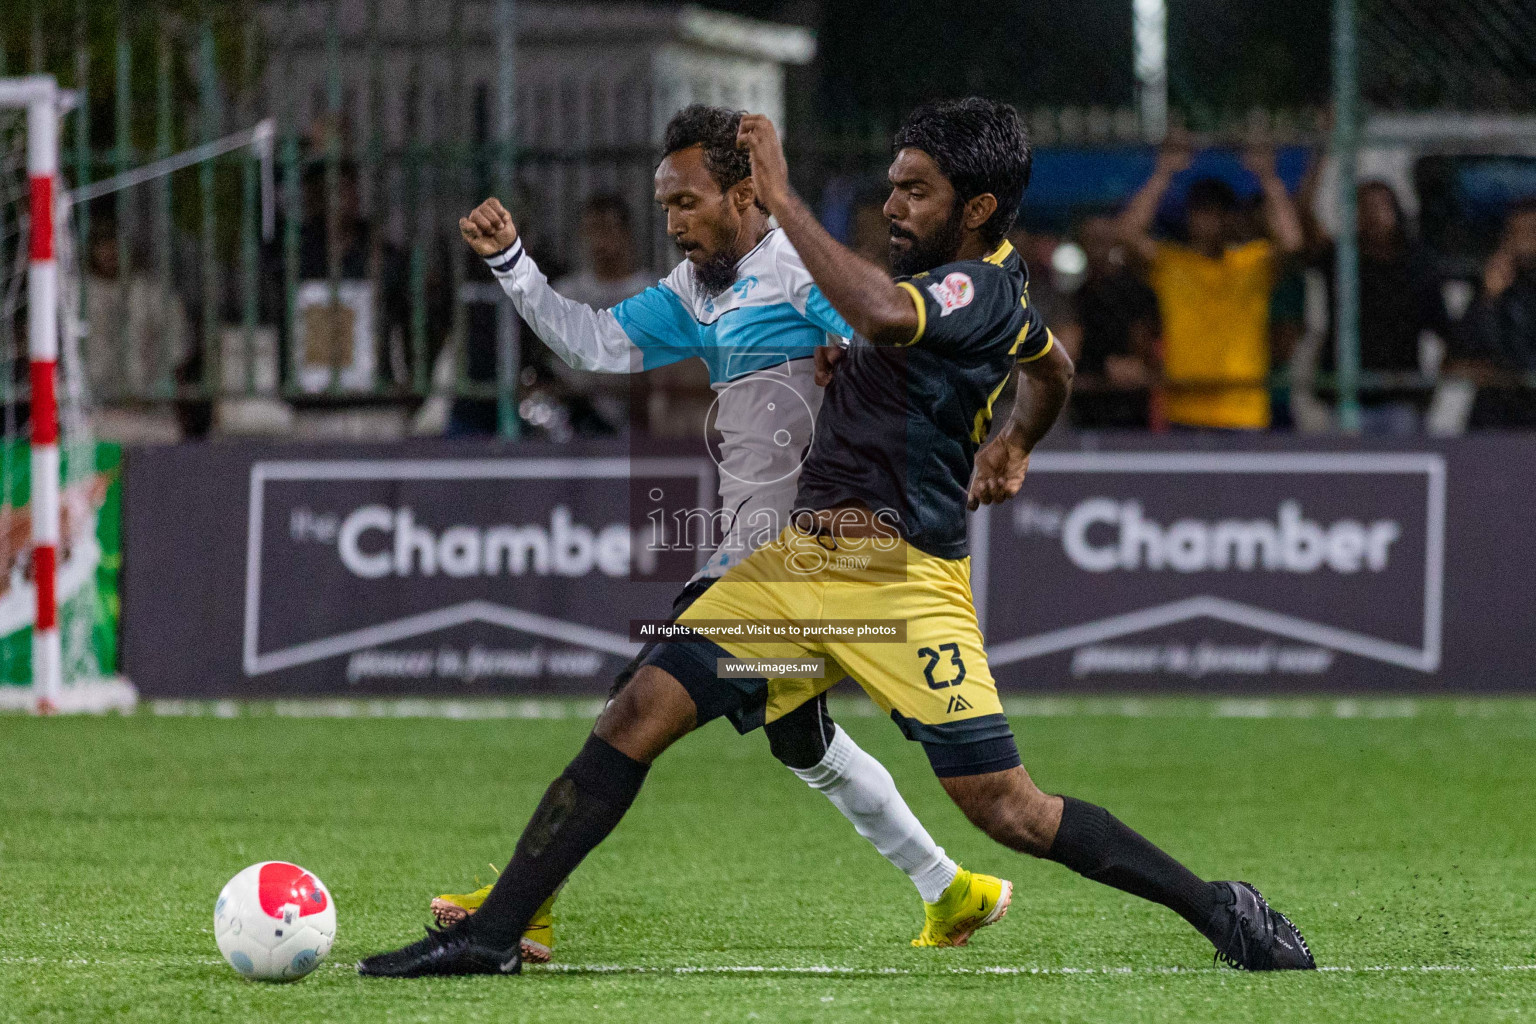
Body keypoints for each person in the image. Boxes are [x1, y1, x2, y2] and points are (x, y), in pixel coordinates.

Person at [359, 98, 1315, 978]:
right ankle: (496, 936)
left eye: (916, 190)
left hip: (901, 585)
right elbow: (1051, 367)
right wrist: (1017, 440)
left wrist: (785, 202)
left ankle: (1221, 911)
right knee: (636, 711)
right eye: (893, 183)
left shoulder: (974, 289)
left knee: (1008, 808)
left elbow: (891, 316)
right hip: (797, 567)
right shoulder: (947, 287)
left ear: (978, 207)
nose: (894, 204)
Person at [418, 105, 1005, 966]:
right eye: (665, 207)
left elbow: (896, 351)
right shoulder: (694, 294)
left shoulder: (803, 272)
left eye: (686, 202)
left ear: (744, 193)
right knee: (799, 741)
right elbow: (590, 344)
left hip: (805, 558)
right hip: (764, 557)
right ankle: (951, 889)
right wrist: (513, 266)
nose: (673, 222)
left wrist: (865, 371)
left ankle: (525, 905)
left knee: (637, 704)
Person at [1116, 137, 1304, 430]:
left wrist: (1268, 177)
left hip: (1244, 414)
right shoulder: (1172, 263)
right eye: (1202, 211)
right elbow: (1126, 234)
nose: (1210, 220)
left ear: (1231, 217)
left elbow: (1292, 241)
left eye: (1219, 211)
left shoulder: (1252, 263)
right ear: (1189, 216)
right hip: (1184, 413)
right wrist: (1163, 173)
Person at [1296, 175, 1451, 433]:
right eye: (1363, 207)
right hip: (1345, 403)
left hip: (1400, 404)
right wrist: (1319, 157)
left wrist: (1430, 390)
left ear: (1396, 210)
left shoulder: (1417, 267)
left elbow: (1446, 333)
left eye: (1380, 206)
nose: (1373, 215)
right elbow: (1304, 221)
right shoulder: (1340, 259)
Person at [1449, 196, 1536, 428]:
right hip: (1497, 414)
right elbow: (1461, 349)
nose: (1524, 241)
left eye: (1531, 231)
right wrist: (1488, 297)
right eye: (1516, 232)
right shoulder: (1493, 285)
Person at [1067, 215, 1160, 429]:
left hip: (1134, 417)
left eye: (1105, 240)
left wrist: (1139, 368)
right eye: (1092, 241)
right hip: (1085, 417)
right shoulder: (1074, 297)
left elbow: (1151, 356)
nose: (1100, 249)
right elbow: (1064, 355)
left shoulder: (1139, 293)